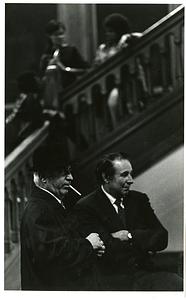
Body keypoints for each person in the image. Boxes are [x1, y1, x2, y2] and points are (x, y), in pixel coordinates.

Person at [75, 152, 183, 291]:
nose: (131, 180)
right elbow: (106, 250)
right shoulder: (86, 206)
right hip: (112, 281)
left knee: (178, 285)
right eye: (124, 175)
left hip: (146, 273)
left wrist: (129, 235)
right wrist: (144, 242)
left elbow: (162, 237)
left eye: (131, 174)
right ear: (106, 177)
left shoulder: (139, 199)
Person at [20, 144, 105, 290]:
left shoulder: (50, 204)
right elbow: (53, 255)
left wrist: (93, 247)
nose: (71, 178)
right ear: (44, 177)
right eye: (63, 173)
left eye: (70, 172)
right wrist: (89, 245)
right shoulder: (38, 210)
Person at [94, 13, 148, 128]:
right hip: (107, 85)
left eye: (111, 31)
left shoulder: (126, 43)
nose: (108, 34)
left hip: (126, 82)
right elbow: (97, 65)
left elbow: (143, 36)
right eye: (107, 31)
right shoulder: (103, 48)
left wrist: (126, 37)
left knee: (115, 104)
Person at [40, 19, 90, 109]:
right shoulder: (46, 55)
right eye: (56, 35)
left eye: (62, 34)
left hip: (70, 91)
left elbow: (86, 69)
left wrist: (63, 67)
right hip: (52, 95)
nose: (60, 37)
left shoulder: (71, 50)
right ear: (49, 36)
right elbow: (43, 77)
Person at [5, 71, 44, 156]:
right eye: (37, 80)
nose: (40, 81)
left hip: (10, 131)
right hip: (13, 133)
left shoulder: (22, 97)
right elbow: (34, 118)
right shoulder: (30, 98)